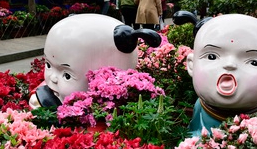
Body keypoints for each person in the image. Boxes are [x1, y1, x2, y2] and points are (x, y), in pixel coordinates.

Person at [173, 12, 257, 136]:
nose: (230, 64)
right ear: (191, 64)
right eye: (212, 56)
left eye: (253, 62)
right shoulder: (199, 109)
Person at [29, 14, 161, 108]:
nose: (52, 78)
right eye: (48, 65)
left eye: (67, 75)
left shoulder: (104, 116)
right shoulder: (47, 89)